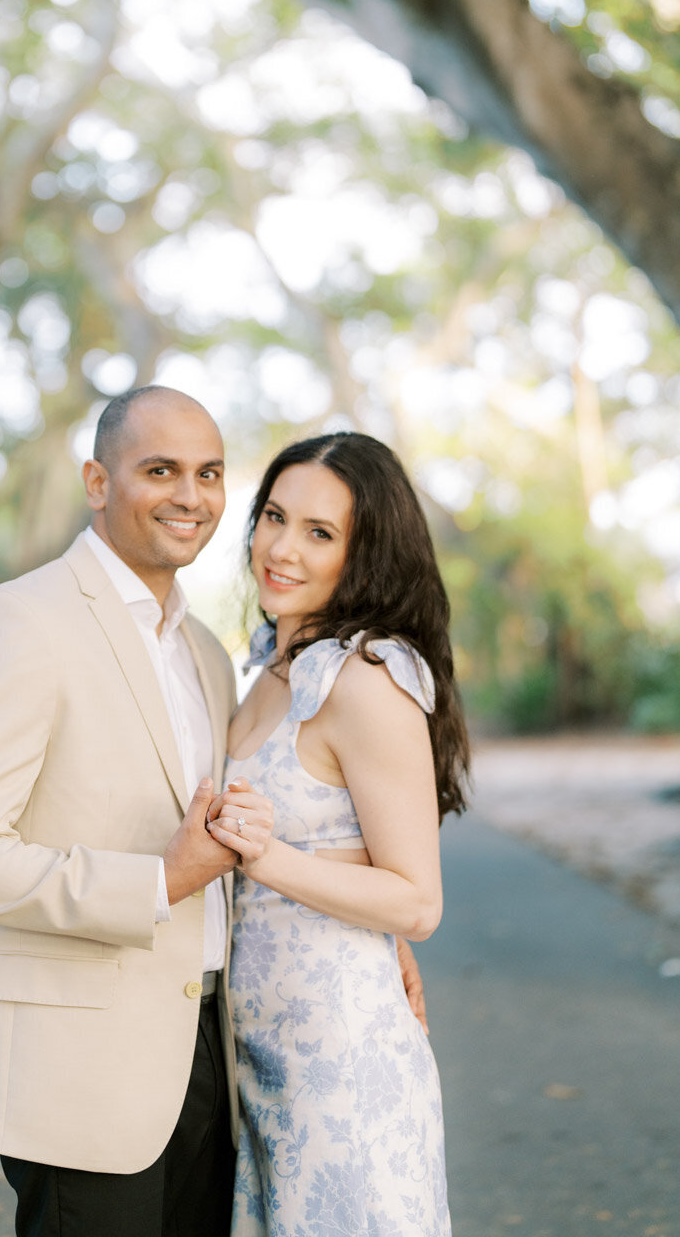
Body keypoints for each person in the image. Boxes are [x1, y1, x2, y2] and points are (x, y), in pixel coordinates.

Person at [0, 388, 428, 1237]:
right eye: (160, 471)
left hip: (215, 1061)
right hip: (83, 1068)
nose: (190, 495)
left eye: (209, 474)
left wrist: (381, 926)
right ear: (98, 481)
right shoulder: (17, 621)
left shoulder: (209, 657)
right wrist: (157, 881)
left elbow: (255, 834)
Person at [206, 432, 469, 1237]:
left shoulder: (365, 681)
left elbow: (415, 901)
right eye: (273, 517)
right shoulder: (261, 675)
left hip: (343, 1071)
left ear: (365, 555)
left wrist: (266, 855)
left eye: (320, 533)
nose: (281, 549)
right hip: (254, 1061)